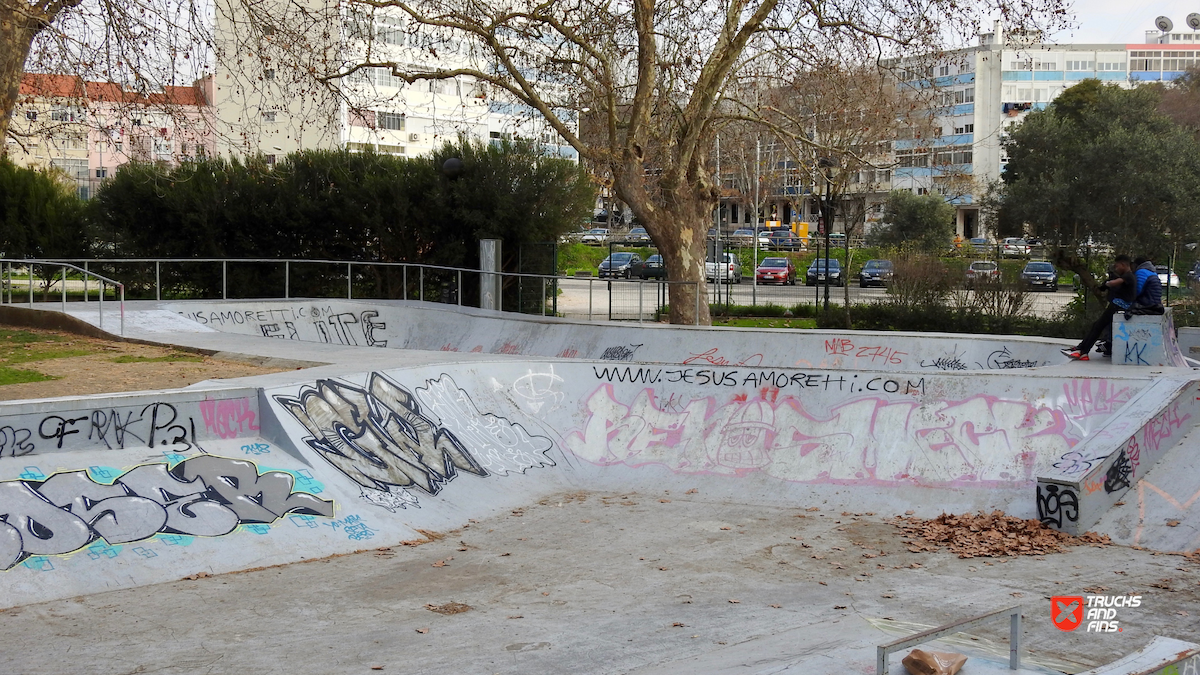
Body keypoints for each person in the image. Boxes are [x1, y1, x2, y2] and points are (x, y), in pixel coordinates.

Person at [1062, 255, 1135, 361]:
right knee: (1097, 326)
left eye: (1117, 266)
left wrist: (1106, 283)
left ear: (1124, 265)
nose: (1116, 268)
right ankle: (1082, 350)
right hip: (1117, 306)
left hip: (1118, 306)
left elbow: (1114, 283)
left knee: (1098, 326)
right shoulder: (1128, 276)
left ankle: (1082, 350)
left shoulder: (1128, 276)